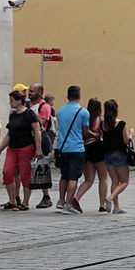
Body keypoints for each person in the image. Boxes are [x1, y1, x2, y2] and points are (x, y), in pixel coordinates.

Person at [0, 90, 42, 210]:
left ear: (20, 101)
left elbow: (37, 131)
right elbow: (9, 134)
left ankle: (25, 202)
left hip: (26, 147)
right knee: (7, 172)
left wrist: (38, 148)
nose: (10, 103)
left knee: (25, 175)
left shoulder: (29, 114)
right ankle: (12, 200)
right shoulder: (13, 114)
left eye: (12, 100)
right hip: (13, 148)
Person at [55, 85, 90, 214]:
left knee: (64, 176)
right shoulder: (83, 112)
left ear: (67, 96)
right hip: (76, 148)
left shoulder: (60, 111)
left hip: (62, 148)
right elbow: (85, 132)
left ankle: (61, 200)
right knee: (73, 177)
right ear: (79, 96)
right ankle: (68, 204)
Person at [74, 98, 109, 212]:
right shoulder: (100, 120)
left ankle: (76, 198)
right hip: (97, 148)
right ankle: (102, 205)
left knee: (88, 179)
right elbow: (103, 135)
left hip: (85, 148)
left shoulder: (84, 118)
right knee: (103, 177)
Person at [102, 99, 134, 214]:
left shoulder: (103, 124)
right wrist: (131, 133)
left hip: (107, 155)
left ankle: (116, 207)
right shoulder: (121, 124)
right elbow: (126, 141)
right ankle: (110, 198)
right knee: (124, 182)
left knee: (114, 181)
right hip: (119, 154)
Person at [27, 83, 54, 208]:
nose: (29, 93)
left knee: (41, 169)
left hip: (41, 141)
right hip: (28, 140)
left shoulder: (44, 106)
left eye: (32, 91)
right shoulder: (29, 105)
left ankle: (46, 197)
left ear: (40, 92)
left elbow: (39, 124)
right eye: (29, 90)